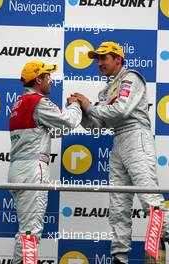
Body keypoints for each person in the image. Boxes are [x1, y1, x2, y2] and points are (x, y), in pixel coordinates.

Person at [71, 42, 169, 264]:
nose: (100, 63)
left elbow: (121, 110)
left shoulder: (131, 78)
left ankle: (164, 236)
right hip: (118, 141)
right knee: (118, 204)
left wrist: (89, 106)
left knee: (148, 196)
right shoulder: (106, 91)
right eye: (98, 59)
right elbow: (96, 125)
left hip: (136, 136)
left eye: (104, 58)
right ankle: (119, 257)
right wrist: (81, 109)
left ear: (118, 59)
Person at [8, 60, 82, 263]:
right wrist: (75, 105)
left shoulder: (18, 104)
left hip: (17, 169)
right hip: (33, 169)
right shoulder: (38, 102)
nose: (51, 79)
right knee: (31, 231)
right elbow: (67, 122)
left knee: (26, 229)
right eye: (47, 75)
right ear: (38, 79)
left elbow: (47, 131)